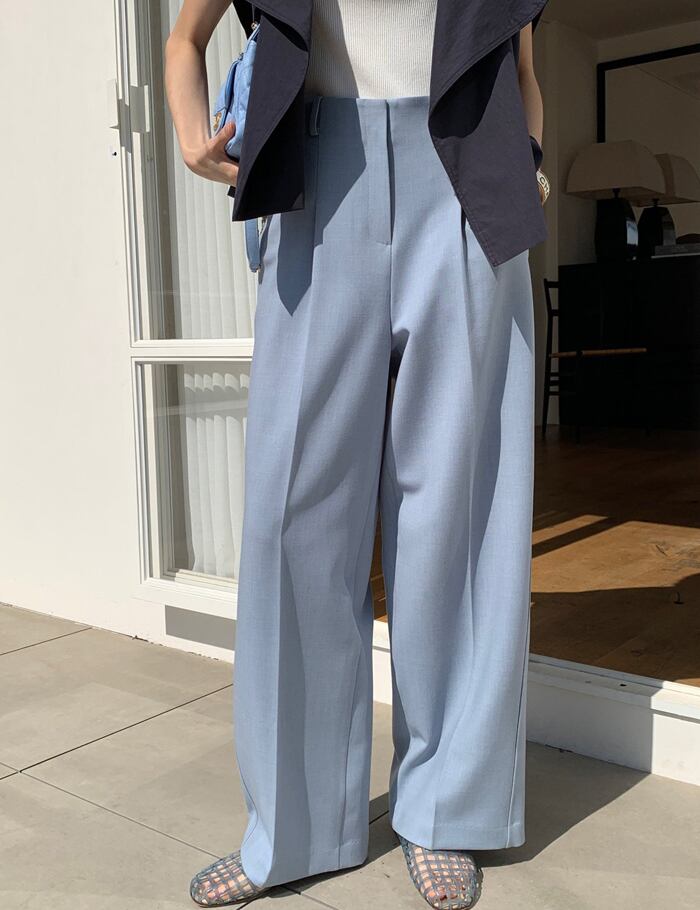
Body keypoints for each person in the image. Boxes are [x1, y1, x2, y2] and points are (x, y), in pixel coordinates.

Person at [165, 1, 548, 907]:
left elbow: (521, 65)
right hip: (317, 178)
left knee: (458, 511)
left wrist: (529, 156)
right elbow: (184, 36)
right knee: (291, 511)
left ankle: (446, 809)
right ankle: (290, 826)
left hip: (468, 176)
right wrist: (188, 131)